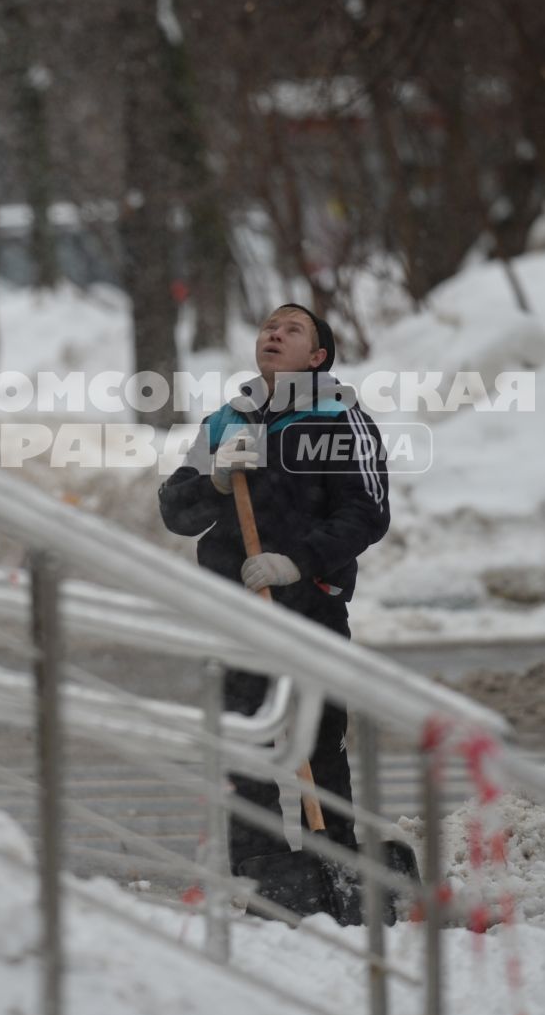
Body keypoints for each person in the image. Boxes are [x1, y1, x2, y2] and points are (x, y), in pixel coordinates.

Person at [157, 303, 390, 878]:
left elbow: (368, 511)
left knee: (317, 737)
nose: (274, 334)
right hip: (235, 606)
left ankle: (333, 857)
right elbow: (176, 512)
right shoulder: (226, 420)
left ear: (317, 357)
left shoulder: (341, 417)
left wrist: (297, 562)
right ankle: (259, 864)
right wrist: (212, 480)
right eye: (267, 327)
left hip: (311, 600)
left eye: (291, 330)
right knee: (244, 736)